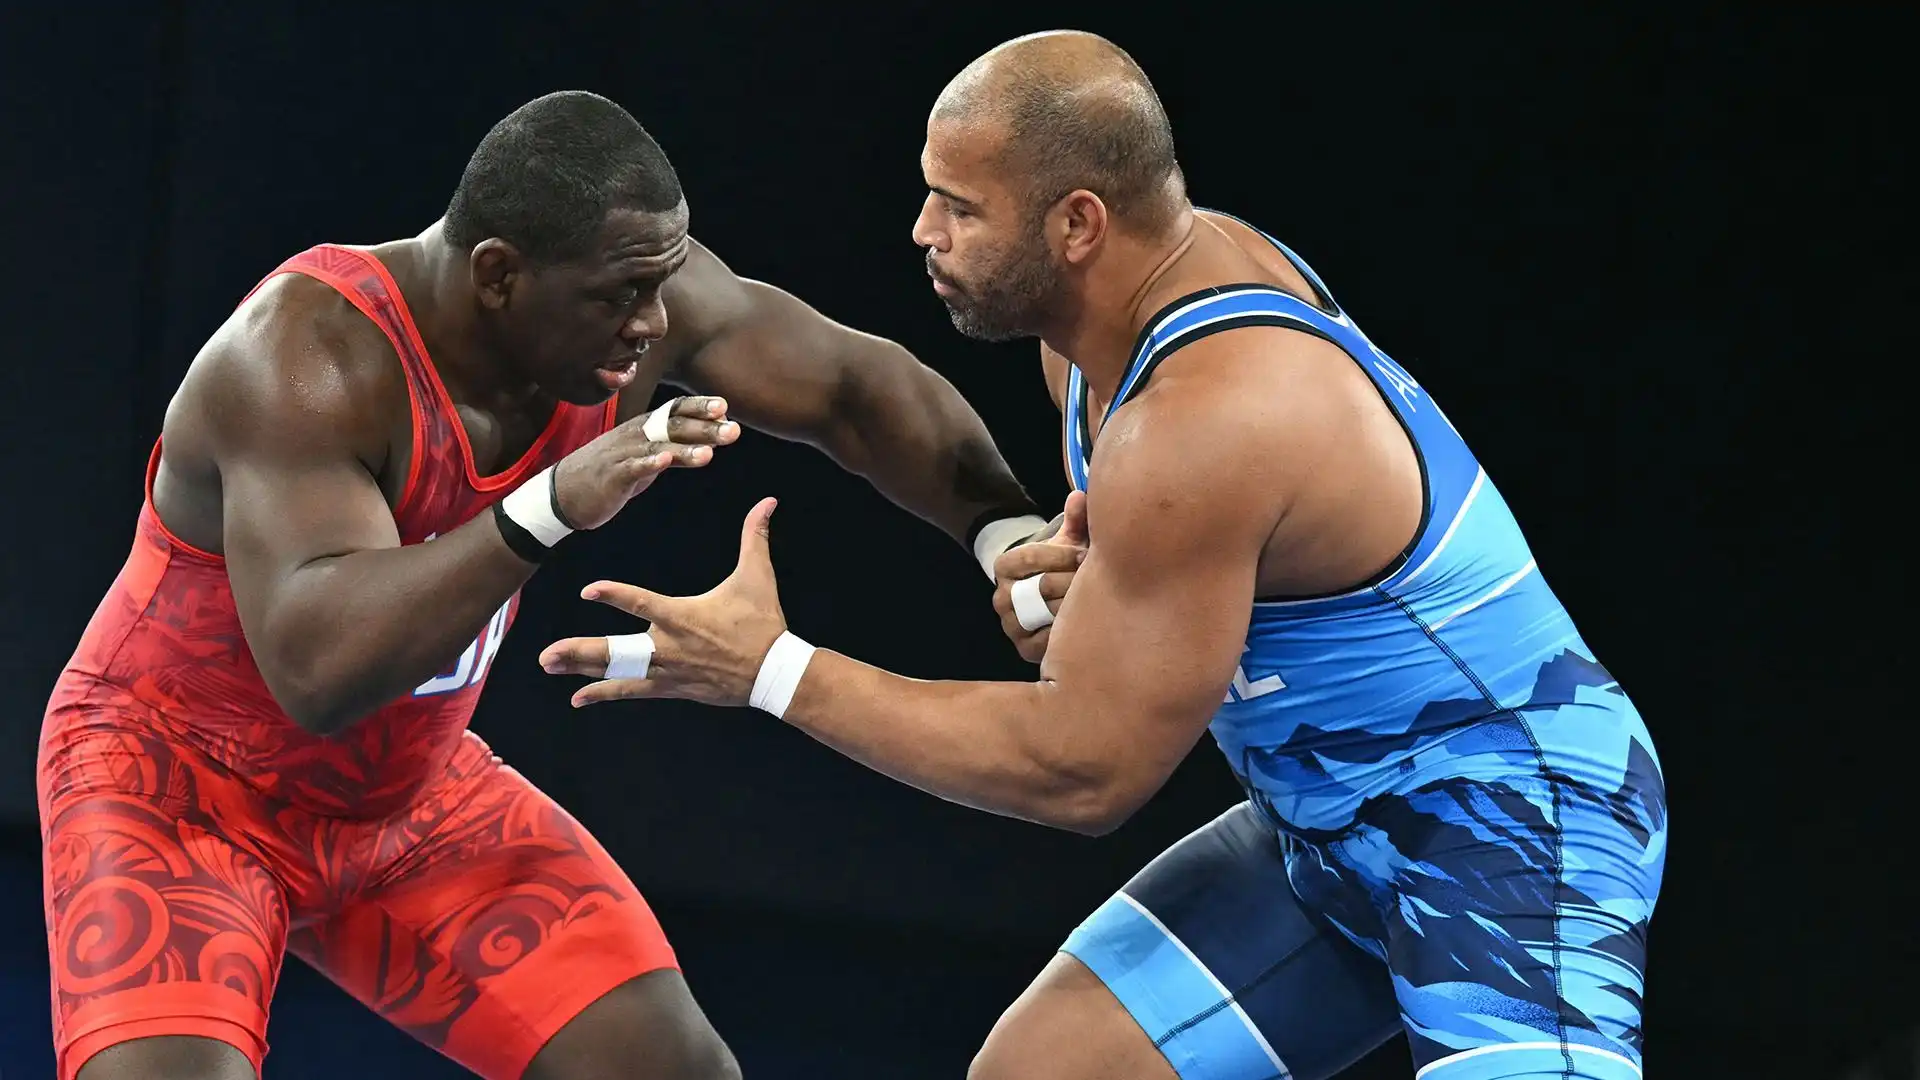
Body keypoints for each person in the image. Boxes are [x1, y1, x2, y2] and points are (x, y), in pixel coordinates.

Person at [538, 32, 1669, 1080]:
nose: (922, 234)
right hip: (1321, 829)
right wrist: (1047, 575)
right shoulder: (1100, 334)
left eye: (958, 208)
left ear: (1077, 224)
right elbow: (1161, 596)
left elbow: (1082, 772)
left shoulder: (1206, 413)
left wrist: (771, 672)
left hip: (1514, 821)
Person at [38, 90, 1049, 1080]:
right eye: (620, 297)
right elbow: (321, 669)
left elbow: (852, 389)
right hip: (178, 796)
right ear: (498, 274)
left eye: (661, 286)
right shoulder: (306, 358)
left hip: (407, 802)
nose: (654, 326)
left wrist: (1002, 530)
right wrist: (548, 505)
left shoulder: (633, 305)